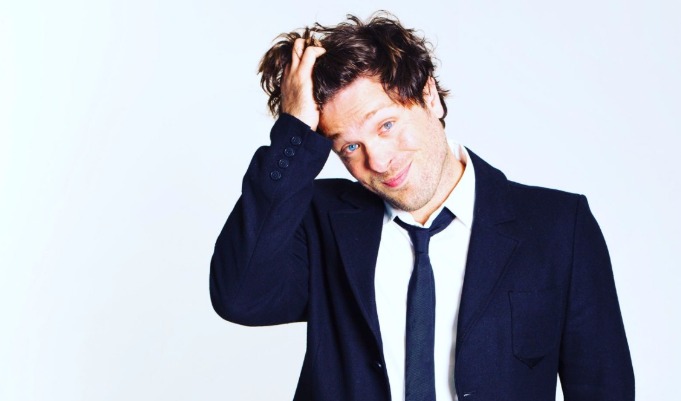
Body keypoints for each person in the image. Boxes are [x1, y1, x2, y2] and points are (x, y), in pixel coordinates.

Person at [210, 12, 634, 401]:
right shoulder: (322, 223)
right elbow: (240, 297)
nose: (378, 161)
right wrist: (294, 132)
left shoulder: (557, 227)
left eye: (386, 125)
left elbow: (602, 388)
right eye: (350, 146)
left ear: (429, 96)